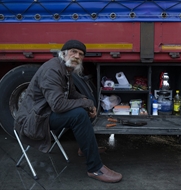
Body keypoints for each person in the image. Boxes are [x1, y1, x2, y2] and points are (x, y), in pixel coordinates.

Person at [14, 40, 122, 183]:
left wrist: (89, 103)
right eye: (73, 52)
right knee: (79, 115)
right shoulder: (52, 70)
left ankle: (85, 148)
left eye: (81, 54)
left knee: (83, 109)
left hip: (44, 113)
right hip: (34, 119)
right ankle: (95, 168)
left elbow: (72, 94)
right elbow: (58, 105)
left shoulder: (66, 69)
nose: (77, 56)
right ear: (64, 53)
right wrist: (85, 103)